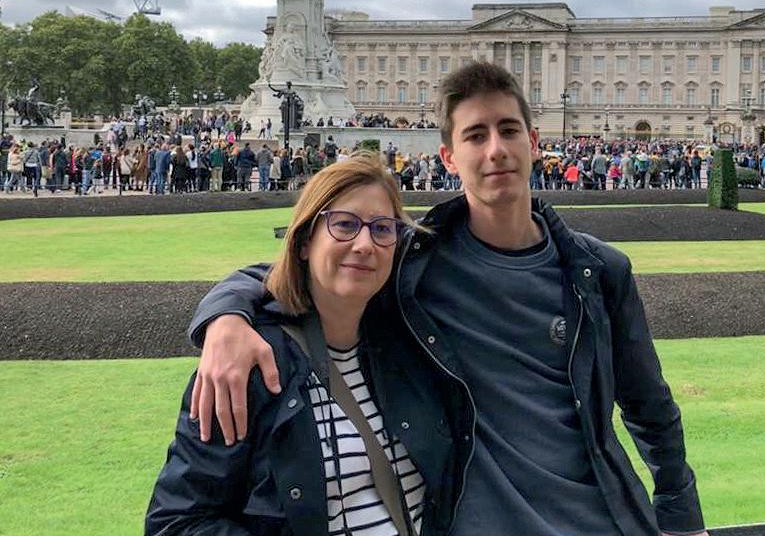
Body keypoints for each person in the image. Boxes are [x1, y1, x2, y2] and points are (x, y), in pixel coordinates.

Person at [187, 62, 706, 536]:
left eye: (508, 130)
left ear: (534, 141)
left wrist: (682, 518)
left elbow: (649, 406)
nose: (496, 149)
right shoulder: (413, 261)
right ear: (449, 157)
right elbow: (314, 266)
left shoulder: (602, 270)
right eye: (475, 136)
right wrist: (226, 316)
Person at [147, 154, 436, 535]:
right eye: (344, 224)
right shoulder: (248, 364)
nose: (365, 244)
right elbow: (177, 523)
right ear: (304, 242)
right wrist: (226, 313)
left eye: (382, 229)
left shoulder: (413, 343)